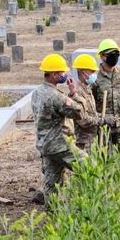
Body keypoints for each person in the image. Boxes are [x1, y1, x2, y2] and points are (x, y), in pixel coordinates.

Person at [32, 53, 85, 204]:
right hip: (61, 145)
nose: (64, 74)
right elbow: (78, 111)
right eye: (62, 72)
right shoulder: (56, 96)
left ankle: (52, 215)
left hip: (45, 145)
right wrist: (74, 92)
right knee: (90, 169)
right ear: (54, 74)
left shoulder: (37, 93)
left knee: (52, 185)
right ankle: (88, 204)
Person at [71, 53, 102, 150]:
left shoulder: (87, 89)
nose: (94, 74)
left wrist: (102, 116)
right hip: (83, 143)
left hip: (92, 140)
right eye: (91, 71)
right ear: (83, 72)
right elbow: (82, 120)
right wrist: (101, 120)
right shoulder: (77, 92)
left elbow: (91, 112)